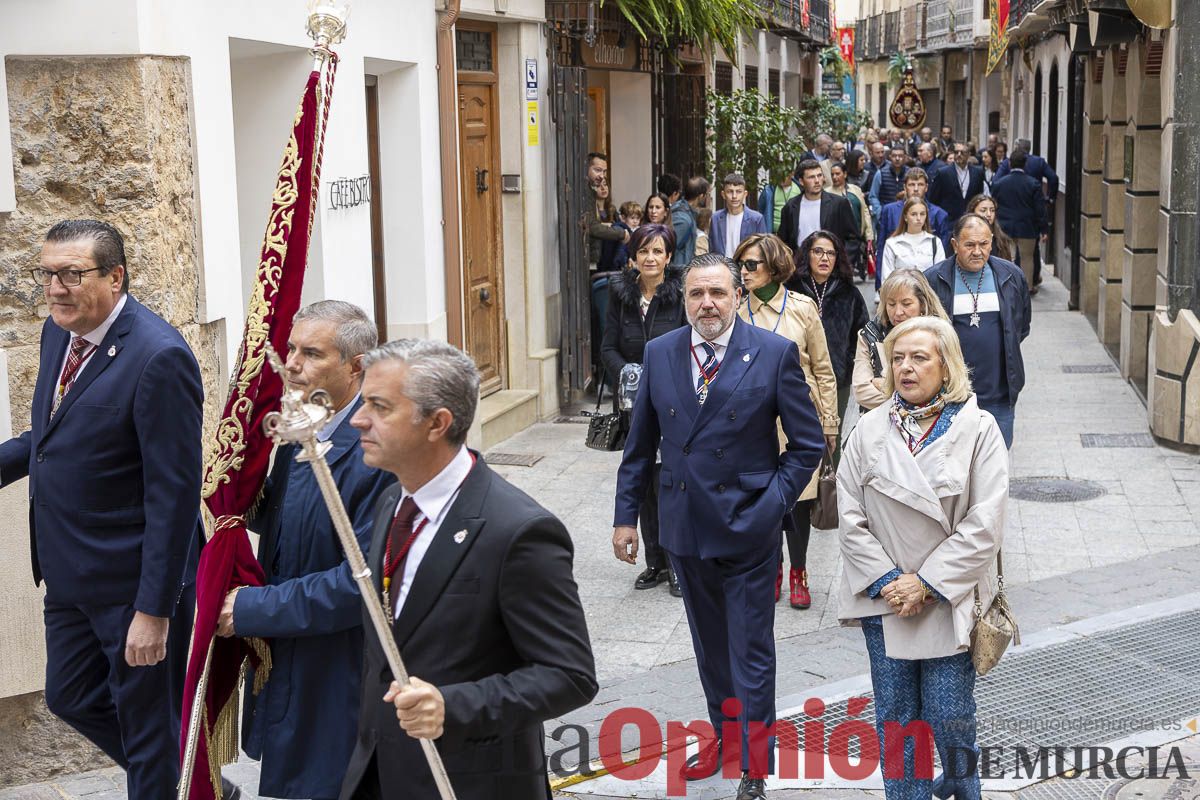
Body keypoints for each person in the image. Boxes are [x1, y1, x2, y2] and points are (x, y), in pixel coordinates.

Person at [340, 340, 598, 800]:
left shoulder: (519, 531)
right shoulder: (391, 501)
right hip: (381, 770)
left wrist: (453, 706)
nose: (359, 420)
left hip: (469, 781)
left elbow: (570, 675)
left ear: (437, 423)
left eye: (379, 407)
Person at [0, 220, 203, 799]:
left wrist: (154, 610)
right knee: (70, 697)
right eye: (47, 274)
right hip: (67, 575)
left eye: (71, 274)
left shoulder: (159, 357)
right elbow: (48, 435)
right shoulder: (56, 334)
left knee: (148, 732)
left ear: (116, 277)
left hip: (131, 586)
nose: (56, 288)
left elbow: (174, 495)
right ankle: (185, 780)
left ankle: (171, 777)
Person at [613, 253, 825, 800]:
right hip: (684, 527)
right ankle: (726, 737)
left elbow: (806, 447)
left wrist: (772, 506)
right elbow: (639, 449)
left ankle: (755, 762)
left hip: (748, 527)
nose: (707, 304)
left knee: (750, 648)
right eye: (696, 294)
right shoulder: (659, 353)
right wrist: (625, 518)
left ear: (737, 296)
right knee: (710, 648)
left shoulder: (774, 353)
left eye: (718, 293)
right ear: (683, 300)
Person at [219, 301, 396, 800]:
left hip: (341, 675)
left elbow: (358, 583)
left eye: (311, 353)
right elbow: (287, 521)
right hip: (298, 661)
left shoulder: (374, 451)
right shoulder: (305, 424)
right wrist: (228, 482)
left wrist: (252, 608)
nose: (291, 363)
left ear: (355, 367)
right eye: (291, 348)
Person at [837, 315, 1009, 800]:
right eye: (897, 358)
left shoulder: (979, 428)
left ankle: (963, 785)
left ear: (946, 365)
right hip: (885, 597)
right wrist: (891, 580)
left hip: (946, 597)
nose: (906, 368)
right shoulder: (868, 429)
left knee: (948, 713)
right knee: (896, 719)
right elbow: (849, 517)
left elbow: (986, 522)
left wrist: (926, 583)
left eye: (919, 357)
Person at [734, 234, 839, 611]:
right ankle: (773, 568)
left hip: (798, 419)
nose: (743, 272)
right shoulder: (736, 308)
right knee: (762, 496)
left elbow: (824, 369)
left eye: (752, 265)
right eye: (741, 264)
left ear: (774, 267)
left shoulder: (802, 307)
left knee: (797, 500)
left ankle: (799, 571)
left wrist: (829, 423)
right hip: (751, 422)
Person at [601, 224, 687, 598]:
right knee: (645, 484)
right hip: (634, 406)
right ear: (633, 257)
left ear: (668, 257)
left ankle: (678, 564)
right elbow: (607, 348)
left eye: (657, 251)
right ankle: (655, 561)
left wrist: (660, 380)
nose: (650, 258)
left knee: (672, 485)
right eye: (643, 252)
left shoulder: (681, 296)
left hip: (673, 406)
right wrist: (629, 374)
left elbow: (689, 346)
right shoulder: (620, 296)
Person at [925, 214, 1031, 448]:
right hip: (950, 397)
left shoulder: (1011, 276)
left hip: (999, 397)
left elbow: (1020, 328)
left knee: (996, 464)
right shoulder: (933, 279)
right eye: (969, 245)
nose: (977, 251)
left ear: (991, 242)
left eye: (983, 244)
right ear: (954, 245)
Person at [786, 231, 869, 459]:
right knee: (798, 435)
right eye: (818, 251)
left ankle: (830, 491)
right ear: (807, 255)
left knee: (832, 436)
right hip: (796, 376)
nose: (825, 258)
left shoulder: (849, 293)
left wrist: (848, 367)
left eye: (831, 253)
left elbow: (862, 335)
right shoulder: (791, 289)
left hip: (837, 378)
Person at [852, 269, 950, 412]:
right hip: (879, 426)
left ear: (922, 304)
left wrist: (885, 385)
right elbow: (861, 392)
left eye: (906, 304)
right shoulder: (870, 334)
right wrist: (913, 398)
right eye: (891, 304)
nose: (898, 312)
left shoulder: (940, 334)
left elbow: (947, 386)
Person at [779, 159, 862, 272]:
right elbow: (783, 241)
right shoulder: (791, 207)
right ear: (801, 181)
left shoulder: (838, 204)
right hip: (800, 268)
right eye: (811, 177)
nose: (817, 181)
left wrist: (842, 263)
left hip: (831, 267)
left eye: (819, 175)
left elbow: (853, 238)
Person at [989, 150, 1047, 294]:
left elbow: (994, 203)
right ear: (1025, 164)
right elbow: (1040, 209)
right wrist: (1044, 229)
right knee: (1027, 259)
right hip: (1027, 227)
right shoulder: (1033, 184)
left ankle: (1007, 285)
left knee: (1007, 258)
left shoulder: (999, 183)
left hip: (1004, 226)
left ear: (1009, 163)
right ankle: (1027, 288)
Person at [828, 160, 875, 280]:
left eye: (838, 174)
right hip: (837, 238)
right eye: (832, 174)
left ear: (845, 174)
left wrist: (869, 235)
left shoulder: (855, 190)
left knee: (849, 268)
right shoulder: (827, 193)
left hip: (856, 237)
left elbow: (865, 212)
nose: (834, 177)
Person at [880, 198, 946, 284]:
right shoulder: (892, 243)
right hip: (901, 294)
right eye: (914, 214)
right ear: (905, 217)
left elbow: (940, 275)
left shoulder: (935, 242)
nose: (919, 218)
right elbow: (886, 278)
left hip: (928, 294)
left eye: (922, 214)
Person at [928, 142, 987, 225]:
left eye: (962, 152)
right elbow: (934, 199)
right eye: (956, 152)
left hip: (971, 221)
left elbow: (979, 197)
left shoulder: (978, 172)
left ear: (969, 155)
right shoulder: (943, 172)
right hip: (948, 221)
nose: (959, 155)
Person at [711, 173, 767, 257]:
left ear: (745, 194)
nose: (734, 196)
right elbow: (712, 249)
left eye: (738, 192)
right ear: (723, 194)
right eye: (730, 191)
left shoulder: (756, 219)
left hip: (746, 268)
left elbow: (763, 249)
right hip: (721, 267)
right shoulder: (715, 218)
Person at [967, 194, 1015, 262]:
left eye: (992, 210)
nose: (989, 214)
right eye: (983, 210)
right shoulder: (960, 236)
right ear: (972, 212)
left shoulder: (1002, 239)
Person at [869, 146, 911, 220]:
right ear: (890, 157)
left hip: (907, 214)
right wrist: (879, 212)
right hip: (886, 214)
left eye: (900, 156)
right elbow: (873, 196)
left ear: (905, 157)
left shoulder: (910, 173)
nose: (897, 159)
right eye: (894, 156)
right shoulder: (881, 173)